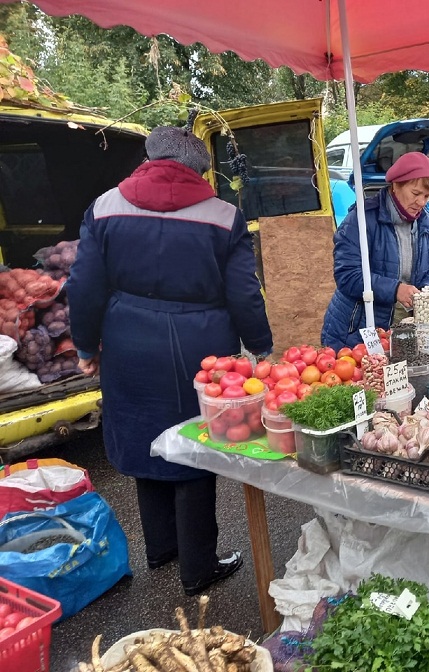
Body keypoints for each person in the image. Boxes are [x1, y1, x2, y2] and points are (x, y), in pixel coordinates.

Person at [67, 126, 273, 596]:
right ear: (200, 169)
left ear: (147, 158)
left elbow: (83, 286)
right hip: (200, 348)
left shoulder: (105, 207)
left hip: (127, 341)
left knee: (144, 437)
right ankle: (198, 566)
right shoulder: (224, 216)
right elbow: (244, 292)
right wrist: (260, 346)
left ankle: (161, 549)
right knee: (194, 441)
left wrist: (85, 345)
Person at [321, 151, 429, 349]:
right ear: (396, 185)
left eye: (427, 196)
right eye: (416, 194)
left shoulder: (425, 225)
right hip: (355, 332)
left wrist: (427, 290)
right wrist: (395, 290)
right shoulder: (361, 220)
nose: (421, 202)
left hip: (401, 333)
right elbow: (347, 275)